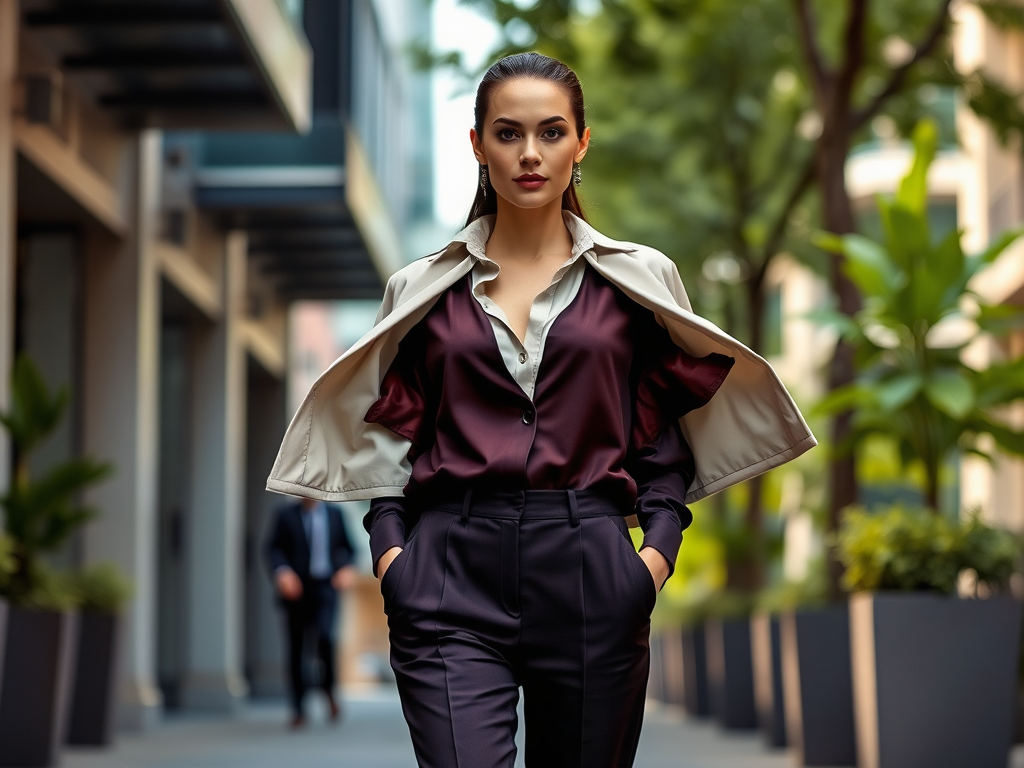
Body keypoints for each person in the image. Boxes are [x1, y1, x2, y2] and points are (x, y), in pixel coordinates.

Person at [267, 53, 815, 767]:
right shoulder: (420, 288)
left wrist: (651, 559)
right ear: (477, 145)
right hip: (446, 575)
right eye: (508, 133)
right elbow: (391, 438)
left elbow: (660, 441)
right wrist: (394, 556)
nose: (530, 154)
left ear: (582, 143)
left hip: (591, 571)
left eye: (552, 132)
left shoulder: (638, 281)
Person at [265, 496, 356, 729]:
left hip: (326, 587)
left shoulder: (336, 514)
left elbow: (349, 548)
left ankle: (328, 690)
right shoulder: (286, 515)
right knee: (297, 648)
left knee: (326, 638)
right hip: (296, 589)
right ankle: (298, 708)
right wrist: (282, 572)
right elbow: (273, 548)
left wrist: (346, 568)